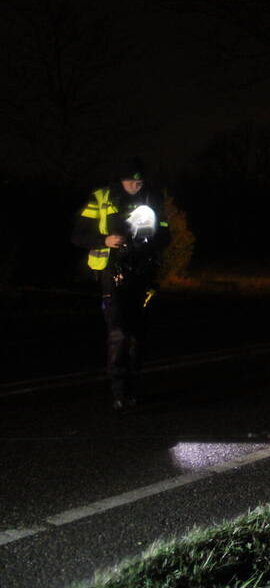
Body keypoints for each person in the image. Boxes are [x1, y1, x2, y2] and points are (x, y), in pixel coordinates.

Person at [72, 157, 170, 411]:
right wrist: (104, 240)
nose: (135, 185)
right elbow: (78, 235)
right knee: (118, 333)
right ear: (120, 179)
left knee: (138, 333)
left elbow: (165, 233)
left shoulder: (153, 198)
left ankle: (134, 389)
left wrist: (149, 239)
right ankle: (118, 391)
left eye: (139, 181)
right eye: (130, 180)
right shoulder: (102, 197)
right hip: (112, 273)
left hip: (142, 274)